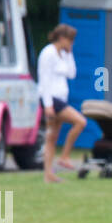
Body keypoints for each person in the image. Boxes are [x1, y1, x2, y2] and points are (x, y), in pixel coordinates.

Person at [37, 25, 86, 183]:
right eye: (70, 40)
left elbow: (72, 73)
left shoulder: (63, 55)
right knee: (80, 122)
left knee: (51, 137)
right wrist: (48, 104)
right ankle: (64, 156)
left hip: (60, 99)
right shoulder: (48, 53)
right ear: (62, 38)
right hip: (52, 100)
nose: (72, 43)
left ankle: (48, 174)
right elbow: (44, 79)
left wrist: (70, 54)